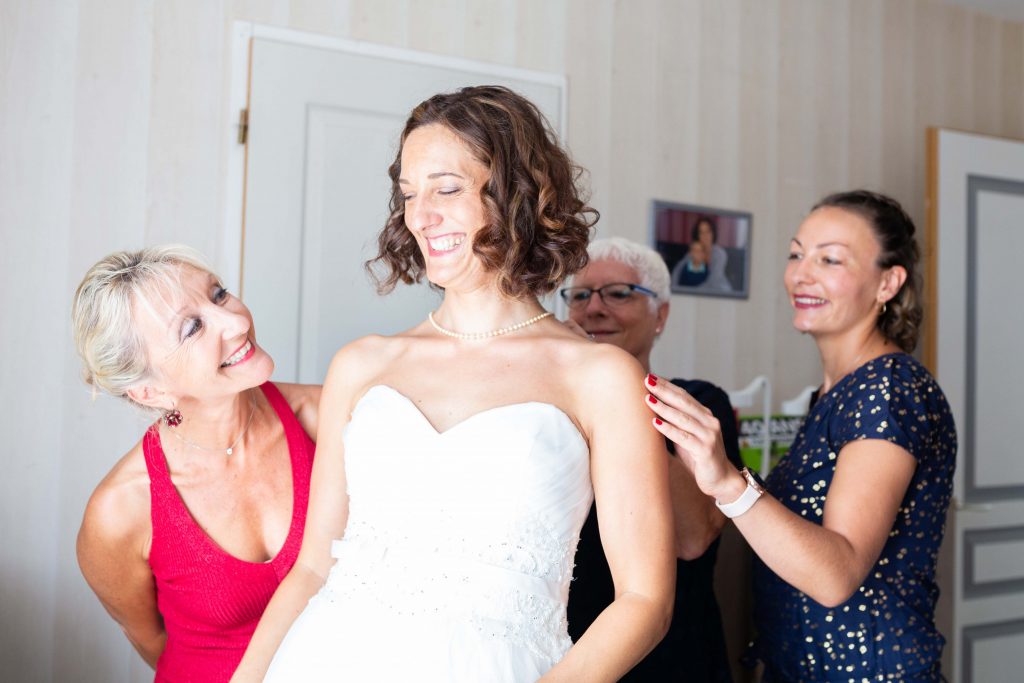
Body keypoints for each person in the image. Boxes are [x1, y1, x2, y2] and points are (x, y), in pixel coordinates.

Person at [232, 86, 680, 682]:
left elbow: (645, 600)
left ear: (516, 194)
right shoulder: (363, 365)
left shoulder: (600, 377)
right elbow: (313, 569)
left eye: (446, 189)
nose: (420, 216)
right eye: (408, 194)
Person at [645, 190, 957, 681]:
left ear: (888, 282)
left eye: (830, 259)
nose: (801, 274)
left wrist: (728, 482)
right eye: (796, 255)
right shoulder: (835, 393)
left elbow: (836, 576)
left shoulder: (889, 388)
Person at [71, 245, 320, 682]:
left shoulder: (326, 417)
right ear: (149, 391)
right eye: (193, 328)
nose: (237, 322)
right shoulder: (121, 510)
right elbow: (150, 640)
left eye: (219, 294)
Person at [561, 236, 741, 682]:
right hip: (568, 652)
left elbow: (693, 537)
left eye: (618, 293)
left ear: (660, 315)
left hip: (672, 659)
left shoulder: (697, 404)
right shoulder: (551, 413)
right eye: (580, 296)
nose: (594, 308)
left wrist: (617, 392)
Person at [673, 216, 732, 292]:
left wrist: (691, 292)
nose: (705, 236)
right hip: (697, 292)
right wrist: (674, 288)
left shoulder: (720, 254)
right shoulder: (694, 250)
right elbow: (678, 269)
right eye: (701, 232)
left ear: (713, 233)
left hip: (719, 291)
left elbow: (713, 281)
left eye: (708, 231)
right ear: (698, 235)